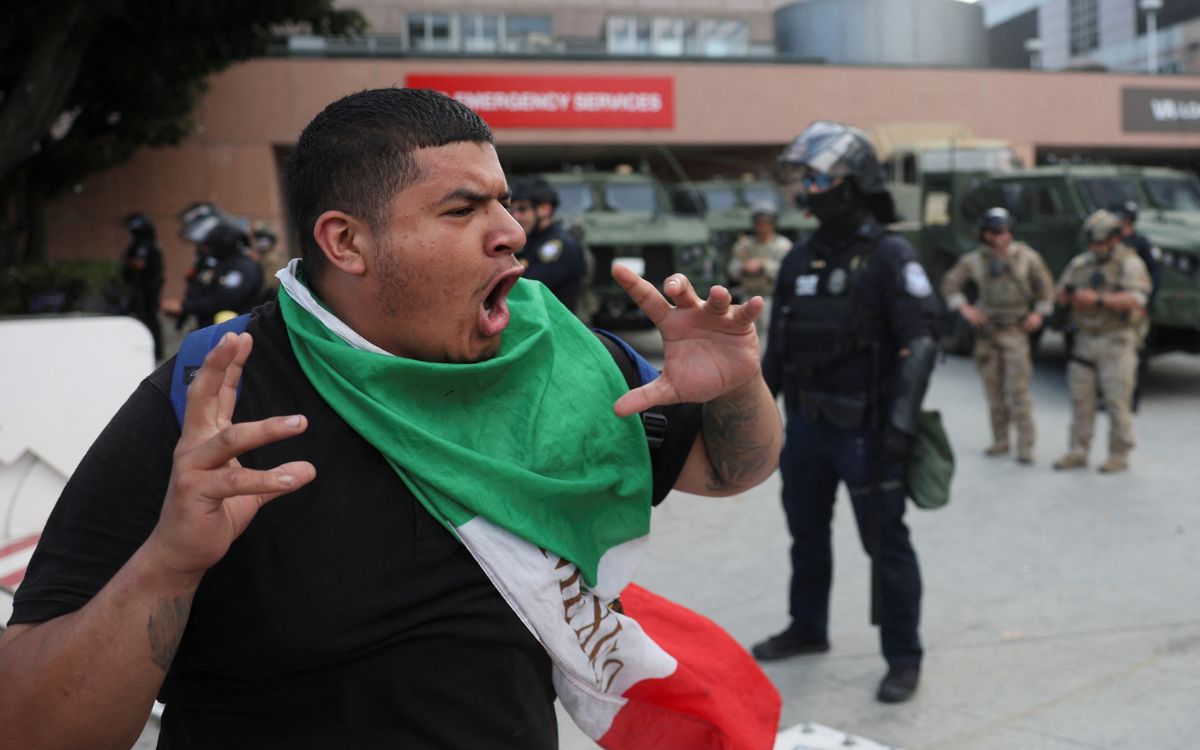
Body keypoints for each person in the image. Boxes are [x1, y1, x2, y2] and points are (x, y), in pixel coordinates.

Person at [0, 88, 782, 749]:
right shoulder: (214, 395)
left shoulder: (557, 356)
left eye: (505, 202)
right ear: (347, 242)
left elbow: (728, 469)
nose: (513, 231)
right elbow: (30, 726)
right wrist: (167, 564)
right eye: (462, 207)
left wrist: (737, 386)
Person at [756, 121, 939, 704]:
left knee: (885, 543)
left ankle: (903, 655)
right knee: (805, 535)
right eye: (804, 179)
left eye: (819, 178)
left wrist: (901, 430)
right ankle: (807, 627)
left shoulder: (890, 255)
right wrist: (754, 422)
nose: (808, 190)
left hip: (868, 429)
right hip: (807, 428)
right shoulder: (798, 258)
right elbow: (778, 349)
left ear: (854, 184)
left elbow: (922, 342)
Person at [941, 207, 1054, 464]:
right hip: (987, 332)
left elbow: (1047, 290)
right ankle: (1000, 439)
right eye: (992, 233)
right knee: (993, 392)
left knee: (1019, 391)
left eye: (1002, 233)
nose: (997, 239)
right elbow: (950, 285)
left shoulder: (1026, 258)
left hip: (1015, 330)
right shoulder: (974, 260)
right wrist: (965, 309)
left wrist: (1039, 314)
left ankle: (1026, 444)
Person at [1052, 209, 1152, 474]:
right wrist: (1066, 296)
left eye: (1101, 243)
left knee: (1117, 400)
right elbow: (1060, 291)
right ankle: (1078, 450)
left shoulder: (1129, 264)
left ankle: (1119, 453)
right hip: (1085, 338)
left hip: (1116, 339)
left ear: (1114, 239)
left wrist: (1097, 300)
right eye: (1093, 243)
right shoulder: (1081, 264)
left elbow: (1137, 299)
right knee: (1080, 399)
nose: (1096, 248)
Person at [161, 202, 264, 329]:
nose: (201, 248)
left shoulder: (243, 267)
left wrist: (185, 307)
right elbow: (198, 288)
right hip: (207, 331)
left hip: (234, 334)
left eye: (206, 244)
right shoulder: (211, 262)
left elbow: (224, 300)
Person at [510, 175, 588, 314]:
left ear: (545, 209)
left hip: (556, 330)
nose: (516, 216)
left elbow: (522, 289)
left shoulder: (559, 246)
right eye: (513, 210)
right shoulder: (532, 241)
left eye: (522, 209)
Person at [1109, 200, 1160, 410]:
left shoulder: (1141, 243)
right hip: (1113, 308)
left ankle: (1133, 398)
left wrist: (1146, 302)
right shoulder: (1111, 242)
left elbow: (1155, 276)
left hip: (1135, 307)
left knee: (1136, 352)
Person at [727, 200, 793, 338]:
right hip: (748, 294)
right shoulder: (745, 245)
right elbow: (732, 269)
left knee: (770, 333)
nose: (762, 226)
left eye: (766, 222)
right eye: (759, 222)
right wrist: (744, 267)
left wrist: (763, 265)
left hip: (771, 296)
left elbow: (788, 271)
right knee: (745, 332)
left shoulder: (782, 245)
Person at [120, 212, 165, 360]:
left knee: (148, 317)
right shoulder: (149, 242)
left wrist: (127, 261)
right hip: (147, 286)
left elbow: (139, 263)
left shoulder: (143, 244)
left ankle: (155, 349)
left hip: (146, 288)